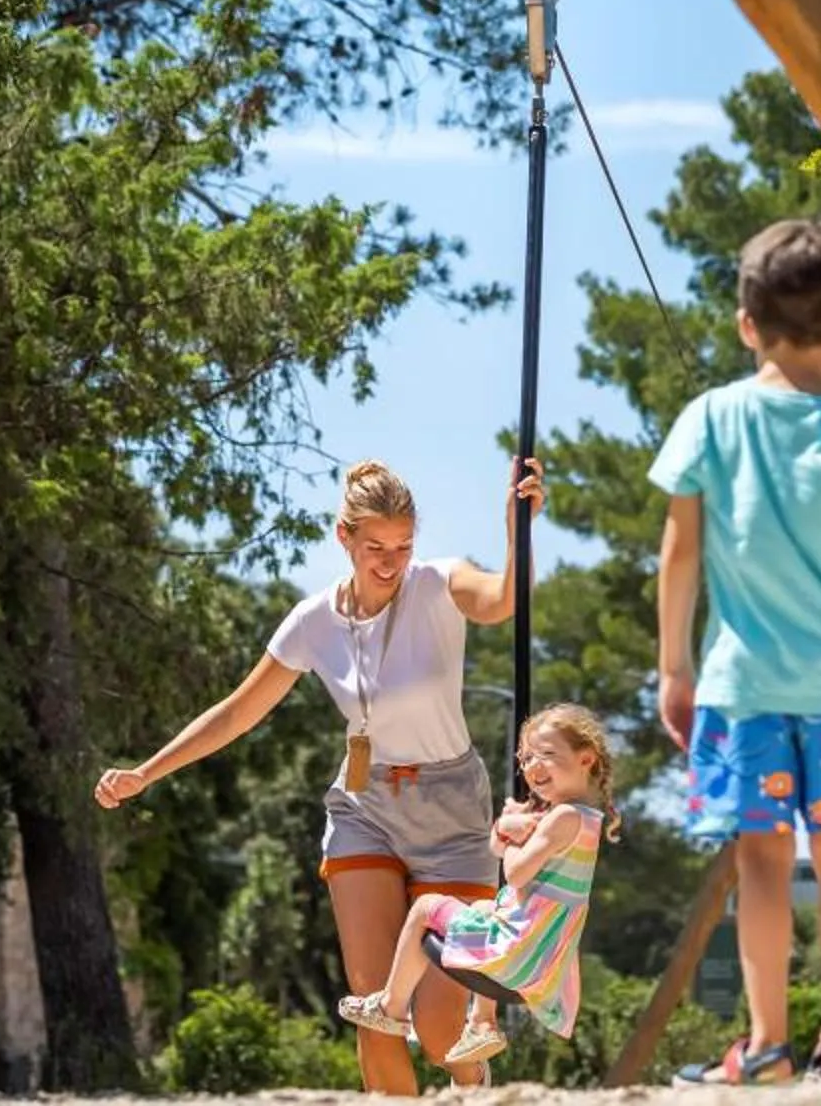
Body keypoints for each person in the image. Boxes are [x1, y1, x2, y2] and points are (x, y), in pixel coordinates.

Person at [96, 457, 545, 1093]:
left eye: (403, 546)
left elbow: (503, 603)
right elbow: (238, 712)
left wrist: (515, 532)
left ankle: (470, 1083)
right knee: (375, 1006)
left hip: (451, 813)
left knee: (442, 1027)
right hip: (364, 807)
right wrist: (145, 773)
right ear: (344, 538)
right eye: (375, 548)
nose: (391, 563)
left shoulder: (438, 585)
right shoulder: (314, 621)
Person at [651, 217, 821, 1085]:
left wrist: (674, 667)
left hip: (741, 688)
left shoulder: (708, 419)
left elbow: (679, 553)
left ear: (745, 323)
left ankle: (764, 1046)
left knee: (759, 861)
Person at [337, 704, 618, 1066]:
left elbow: (515, 874)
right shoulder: (587, 820)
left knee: (425, 908)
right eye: (527, 758)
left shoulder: (561, 817)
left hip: (518, 954)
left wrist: (513, 837)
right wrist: (507, 830)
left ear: (586, 759)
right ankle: (483, 1022)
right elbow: (496, 846)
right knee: (486, 908)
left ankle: (392, 1005)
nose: (533, 766)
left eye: (547, 755)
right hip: (544, 960)